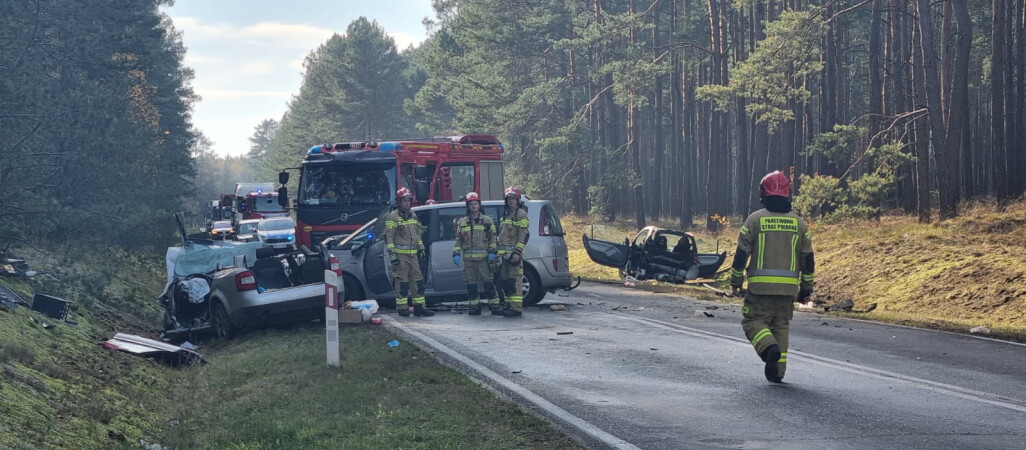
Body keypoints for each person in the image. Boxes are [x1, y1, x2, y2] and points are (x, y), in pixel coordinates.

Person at [730, 171, 815, 383]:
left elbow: (742, 254)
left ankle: (769, 349)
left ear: (763, 192)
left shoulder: (755, 220)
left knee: (753, 322)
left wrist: (736, 281)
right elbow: (808, 259)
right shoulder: (799, 223)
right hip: (787, 292)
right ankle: (777, 372)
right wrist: (806, 288)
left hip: (760, 290)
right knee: (781, 327)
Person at [384, 187, 433, 317]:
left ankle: (420, 307)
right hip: (400, 256)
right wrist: (392, 253)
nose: (407, 203)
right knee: (402, 283)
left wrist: (421, 249)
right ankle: (402, 308)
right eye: (404, 200)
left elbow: (417, 234)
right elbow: (388, 236)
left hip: (413, 256)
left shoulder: (413, 215)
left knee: (418, 282)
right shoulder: (393, 217)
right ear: (399, 202)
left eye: (408, 200)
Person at [453, 192, 498, 315]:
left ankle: (494, 306)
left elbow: (493, 238)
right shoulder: (463, 222)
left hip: (484, 259)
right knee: (471, 284)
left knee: (488, 282)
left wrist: (492, 252)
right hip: (468, 260)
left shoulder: (487, 221)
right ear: (468, 206)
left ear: (479, 205)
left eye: (475, 203)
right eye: (471, 204)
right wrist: (456, 253)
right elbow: (458, 240)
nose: (473, 206)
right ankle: (474, 307)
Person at [495, 187, 529, 318]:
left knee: (514, 282)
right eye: (509, 199)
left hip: (514, 256)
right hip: (505, 257)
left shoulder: (520, 214)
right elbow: (502, 237)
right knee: (506, 282)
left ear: (518, 200)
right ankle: (508, 306)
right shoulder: (505, 215)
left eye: (513, 199)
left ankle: (516, 309)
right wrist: (498, 252)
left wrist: (517, 252)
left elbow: (523, 235)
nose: (511, 201)